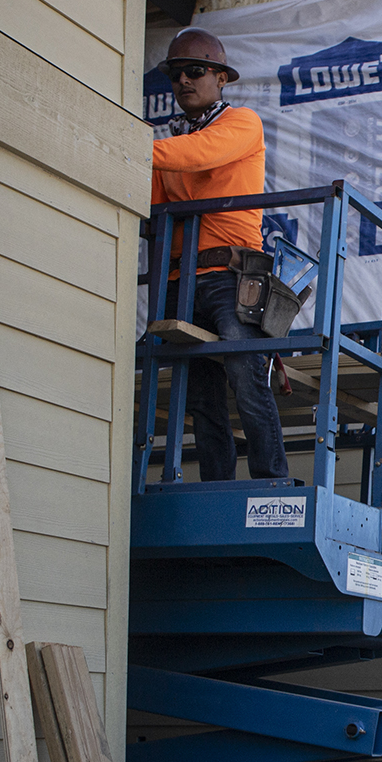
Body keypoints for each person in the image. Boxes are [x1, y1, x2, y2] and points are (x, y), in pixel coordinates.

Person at [150, 28, 286, 482]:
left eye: (195, 71)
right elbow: (152, 207)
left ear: (221, 77)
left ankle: (270, 481)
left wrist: (133, 147)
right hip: (181, 280)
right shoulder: (168, 145)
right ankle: (216, 485)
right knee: (199, 395)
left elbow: (199, 155)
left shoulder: (241, 123)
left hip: (231, 276)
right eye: (175, 74)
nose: (183, 81)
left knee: (247, 378)